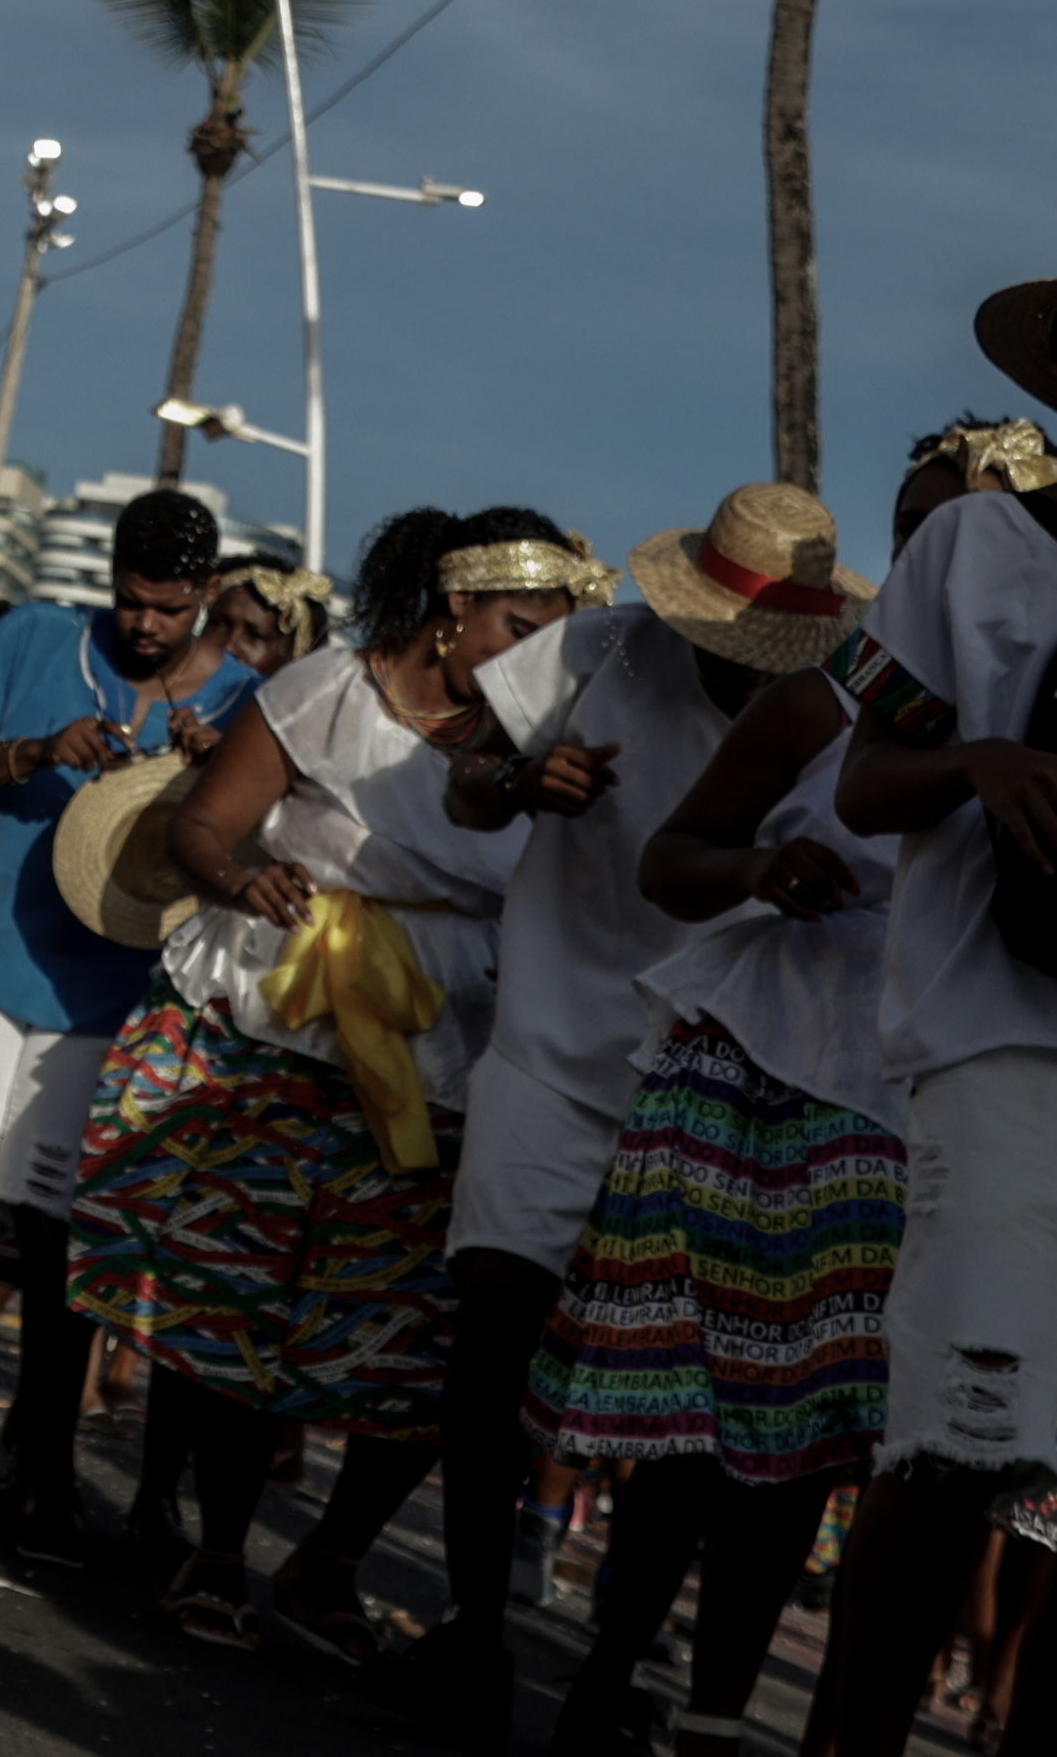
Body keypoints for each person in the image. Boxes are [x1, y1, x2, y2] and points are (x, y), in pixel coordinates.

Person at [65, 506, 595, 1658]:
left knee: (415, 1329)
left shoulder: (546, 738)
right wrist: (239, 877)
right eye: (515, 624)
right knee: (244, 1296)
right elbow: (205, 826)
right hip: (285, 1013)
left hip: (446, 1043)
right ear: (452, 608)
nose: (530, 652)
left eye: (551, 633)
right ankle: (216, 1547)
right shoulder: (327, 688)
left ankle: (329, 1562)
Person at [387, 482, 871, 1739]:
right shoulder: (595, 648)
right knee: (493, 1324)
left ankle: (611, 1663)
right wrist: (515, 778)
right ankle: (475, 1631)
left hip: (720, 1068)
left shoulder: (838, 704)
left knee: (687, 1401)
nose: (739, 663)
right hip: (551, 1041)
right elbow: (463, 790)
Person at [525, 450, 943, 1757]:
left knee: (807, 1441)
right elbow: (670, 860)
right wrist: (764, 865)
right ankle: (609, 1674)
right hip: (753, 1076)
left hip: (906, 1102)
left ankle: (708, 1714)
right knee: (703, 1421)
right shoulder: (820, 704)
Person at [0, 483, 259, 1550]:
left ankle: (40, 1464)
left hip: (105, 1002)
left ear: (205, 597)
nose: (146, 624)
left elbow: (257, 852)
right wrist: (33, 754)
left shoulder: (244, 703)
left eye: (169, 607)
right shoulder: (32, 638)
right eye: (130, 600)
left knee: (53, 1237)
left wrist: (208, 775)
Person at [819, 292, 1057, 1757]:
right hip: (998, 1043)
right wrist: (975, 761)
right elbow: (859, 789)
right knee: (957, 1445)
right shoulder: (977, 547)